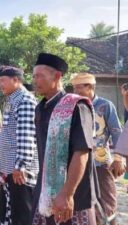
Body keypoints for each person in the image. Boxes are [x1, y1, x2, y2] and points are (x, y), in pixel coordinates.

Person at [31, 53, 97, 225]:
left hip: (71, 195)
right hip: (45, 191)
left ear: (57, 76)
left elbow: (82, 152)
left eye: (40, 76)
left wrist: (67, 194)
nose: (35, 81)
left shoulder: (76, 106)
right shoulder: (40, 108)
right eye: (33, 76)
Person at [71, 73, 124, 225]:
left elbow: (116, 132)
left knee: (108, 203)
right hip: (79, 163)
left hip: (100, 162)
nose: (75, 91)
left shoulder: (105, 106)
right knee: (86, 205)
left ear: (90, 87)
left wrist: (119, 158)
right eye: (74, 88)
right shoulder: (75, 105)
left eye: (78, 87)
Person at [0, 66, 39, 225]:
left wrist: (21, 166)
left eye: (3, 81)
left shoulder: (24, 101)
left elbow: (26, 136)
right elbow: (9, 134)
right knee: (9, 213)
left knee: (22, 216)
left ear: (16, 80)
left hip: (19, 172)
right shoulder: (11, 100)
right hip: (9, 168)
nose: (0, 85)